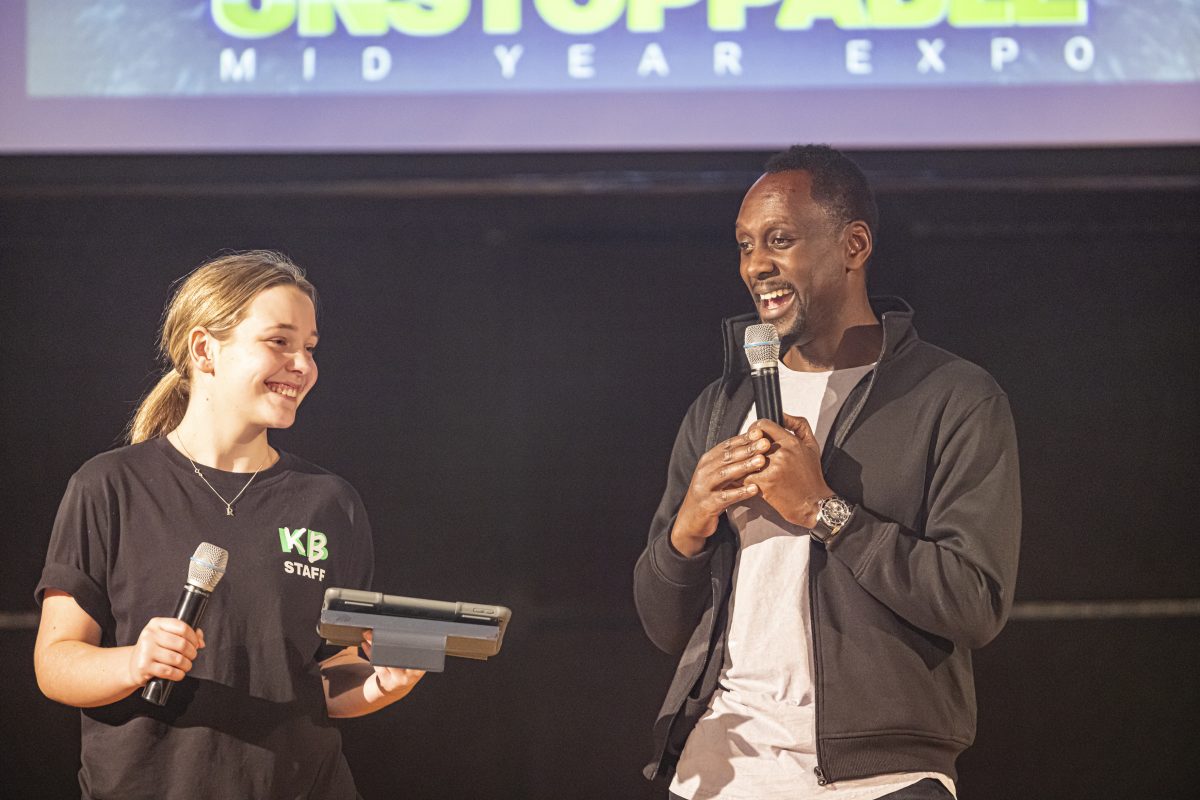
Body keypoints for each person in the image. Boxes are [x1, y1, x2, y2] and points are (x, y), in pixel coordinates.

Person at [633, 145, 1021, 800]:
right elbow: (664, 624)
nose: (757, 265)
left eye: (779, 240)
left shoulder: (952, 398)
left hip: (881, 778)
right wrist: (687, 532)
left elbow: (974, 602)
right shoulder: (720, 407)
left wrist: (824, 512)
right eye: (745, 245)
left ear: (854, 244)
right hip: (721, 766)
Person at [33, 251, 423, 799]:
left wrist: (380, 684)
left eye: (309, 348)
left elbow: (330, 673)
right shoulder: (109, 486)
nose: (302, 365)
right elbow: (56, 662)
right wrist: (134, 662)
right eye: (279, 341)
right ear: (203, 349)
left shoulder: (330, 503)